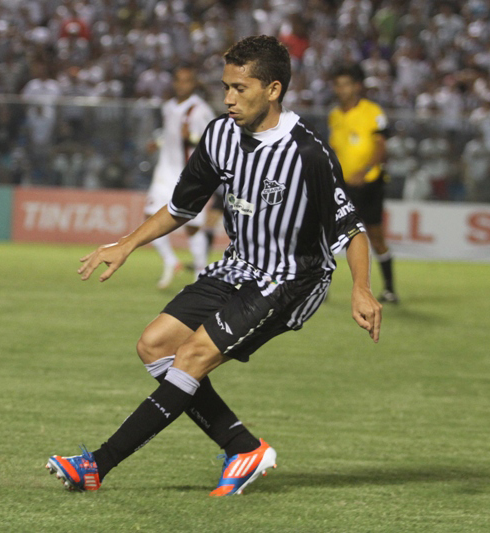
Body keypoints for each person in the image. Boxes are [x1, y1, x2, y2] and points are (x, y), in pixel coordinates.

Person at [46, 36, 382, 497]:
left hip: (289, 280)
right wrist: (126, 244)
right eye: (225, 86)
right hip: (238, 267)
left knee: (192, 357)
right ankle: (242, 447)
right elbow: (182, 208)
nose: (227, 98)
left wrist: (361, 288)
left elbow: (352, 228)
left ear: (273, 89)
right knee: (154, 346)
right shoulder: (220, 135)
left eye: (240, 88)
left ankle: (96, 466)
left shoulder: (308, 154)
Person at [329, 63, 398, 303]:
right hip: (342, 186)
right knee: (327, 234)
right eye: (338, 85)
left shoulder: (372, 112)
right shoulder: (335, 115)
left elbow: (381, 146)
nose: (341, 89)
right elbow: (335, 149)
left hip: (369, 184)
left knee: (376, 235)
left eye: (346, 84)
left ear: (357, 86)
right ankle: (321, 288)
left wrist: (365, 170)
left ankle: (389, 288)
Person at [145, 65, 216, 288]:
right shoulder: (168, 107)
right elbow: (170, 133)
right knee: (150, 219)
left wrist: (192, 137)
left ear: (194, 84)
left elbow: (214, 140)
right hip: (165, 172)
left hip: (190, 175)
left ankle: (200, 272)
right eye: (178, 80)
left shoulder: (200, 110)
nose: (181, 85)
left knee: (191, 226)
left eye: (187, 81)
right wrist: (157, 143)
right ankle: (171, 261)